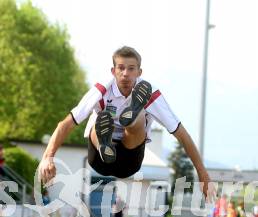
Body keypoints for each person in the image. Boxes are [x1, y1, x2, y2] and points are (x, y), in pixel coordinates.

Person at [38, 46, 214, 200]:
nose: (125, 74)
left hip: (130, 158)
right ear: (113, 71)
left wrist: (202, 173)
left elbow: (181, 134)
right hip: (100, 159)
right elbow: (66, 124)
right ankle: (105, 143)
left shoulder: (151, 95)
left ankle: (132, 112)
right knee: (100, 119)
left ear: (139, 72)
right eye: (121, 68)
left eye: (131, 69)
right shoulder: (101, 90)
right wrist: (47, 157)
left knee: (137, 121)